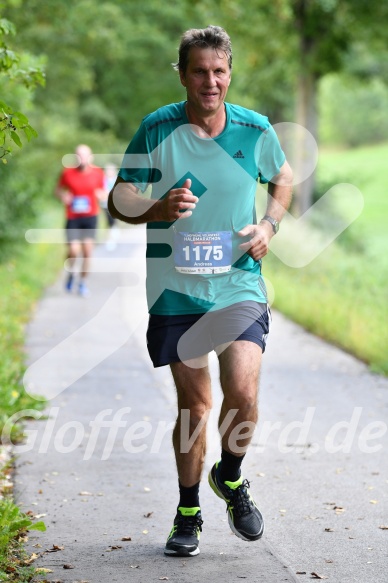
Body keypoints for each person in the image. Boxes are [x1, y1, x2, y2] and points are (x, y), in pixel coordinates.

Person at [109, 25, 293, 557]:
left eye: (219, 71)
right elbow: (119, 198)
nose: (210, 81)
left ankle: (229, 477)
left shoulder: (255, 130)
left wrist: (268, 227)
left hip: (238, 282)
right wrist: (156, 208)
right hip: (175, 288)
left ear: (229, 72)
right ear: (183, 74)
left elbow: (282, 178)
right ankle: (188, 509)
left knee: (243, 392)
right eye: (199, 71)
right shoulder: (157, 128)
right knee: (196, 405)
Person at [55, 144, 105, 297]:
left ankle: (82, 282)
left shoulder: (98, 173)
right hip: (73, 217)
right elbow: (57, 190)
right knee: (73, 251)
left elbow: (104, 192)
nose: (82, 158)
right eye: (79, 155)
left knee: (87, 252)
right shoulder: (67, 173)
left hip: (90, 217)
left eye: (85, 155)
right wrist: (63, 197)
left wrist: (100, 195)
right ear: (75, 157)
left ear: (91, 157)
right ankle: (71, 274)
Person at [100, 164, 120, 250]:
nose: (108, 172)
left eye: (110, 170)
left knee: (112, 221)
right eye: (107, 170)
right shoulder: (103, 180)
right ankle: (112, 234)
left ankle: (112, 239)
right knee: (109, 221)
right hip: (105, 204)